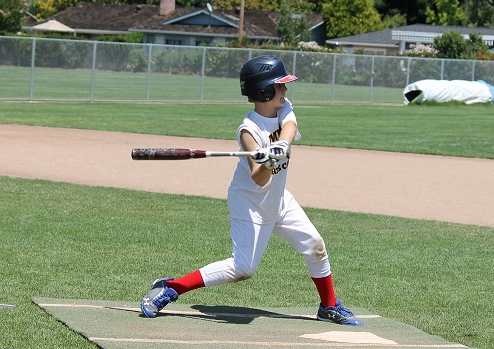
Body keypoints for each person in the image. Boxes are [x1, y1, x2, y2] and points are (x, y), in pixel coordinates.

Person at [140, 55, 362, 325]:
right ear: (263, 91)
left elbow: (290, 125)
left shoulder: (284, 108)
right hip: (250, 203)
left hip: (279, 200)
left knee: (315, 246)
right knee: (243, 269)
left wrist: (280, 146)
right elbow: (259, 178)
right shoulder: (248, 131)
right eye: (279, 86)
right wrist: (270, 161)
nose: (285, 89)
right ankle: (171, 287)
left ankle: (329, 306)